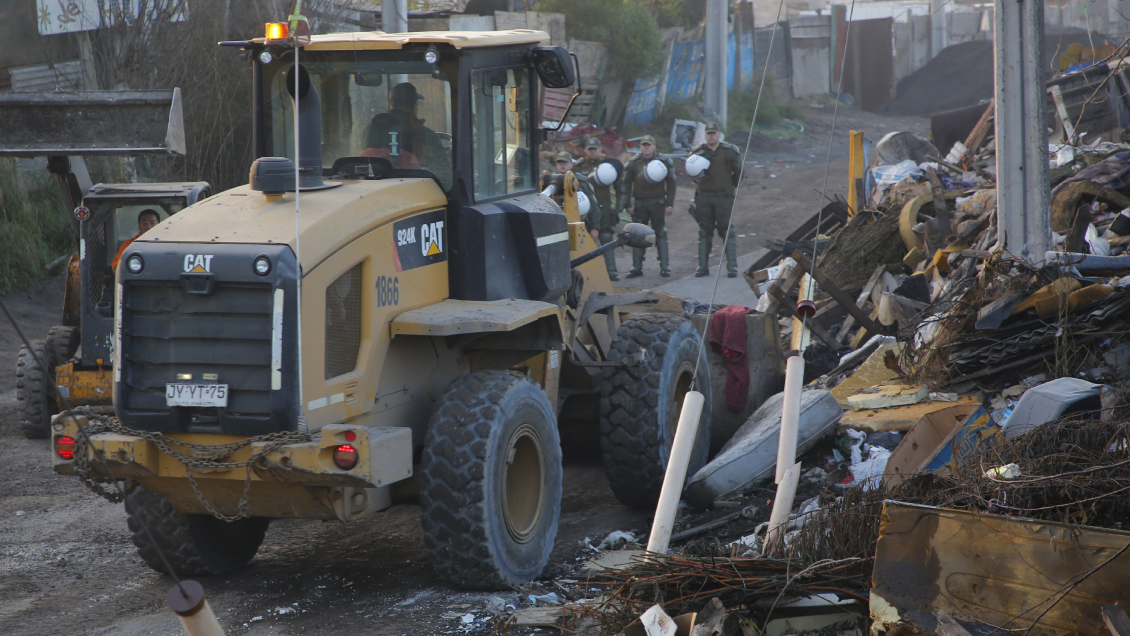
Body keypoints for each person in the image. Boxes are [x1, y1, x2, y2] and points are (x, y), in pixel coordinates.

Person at [362, 82, 450, 178]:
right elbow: (444, 173)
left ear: (390, 104)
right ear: (414, 106)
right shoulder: (426, 134)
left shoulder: (371, 129)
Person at [691, 122, 742, 278]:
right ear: (705, 135)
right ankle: (702, 267)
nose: (711, 136)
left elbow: (739, 172)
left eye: (713, 133)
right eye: (708, 134)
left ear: (719, 134)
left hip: (723, 196)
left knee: (727, 231)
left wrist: (730, 188)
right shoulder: (697, 152)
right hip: (704, 196)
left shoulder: (729, 151)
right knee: (704, 231)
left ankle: (732, 267)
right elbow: (692, 172)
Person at [620, 135, 675, 278]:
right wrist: (627, 204)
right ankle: (636, 267)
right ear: (641, 147)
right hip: (640, 203)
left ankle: (665, 267)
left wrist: (670, 204)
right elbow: (626, 184)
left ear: (654, 147)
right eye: (644, 145)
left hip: (658, 203)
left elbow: (671, 183)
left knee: (660, 233)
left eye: (649, 145)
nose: (646, 147)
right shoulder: (633, 163)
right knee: (637, 235)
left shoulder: (663, 162)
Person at [573, 137, 622, 280]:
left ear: (600, 150)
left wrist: (618, 209)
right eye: (590, 149)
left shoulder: (607, 166)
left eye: (595, 149)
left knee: (606, 237)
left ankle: (612, 272)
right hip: (586, 209)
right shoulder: (579, 166)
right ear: (585, 150)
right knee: (586, 241)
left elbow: (620, 189)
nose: (592, 152)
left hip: (604, 207)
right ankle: (588, 274)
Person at [555, 151, 601, 242]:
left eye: (565, 162)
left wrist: (595, 227)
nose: (562, 165)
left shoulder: (580, 182)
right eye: (560, 162)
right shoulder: (549, 181)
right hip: (556, 225)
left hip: (578, 224)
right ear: (556, 164)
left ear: (571, 164)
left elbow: (592, 205)